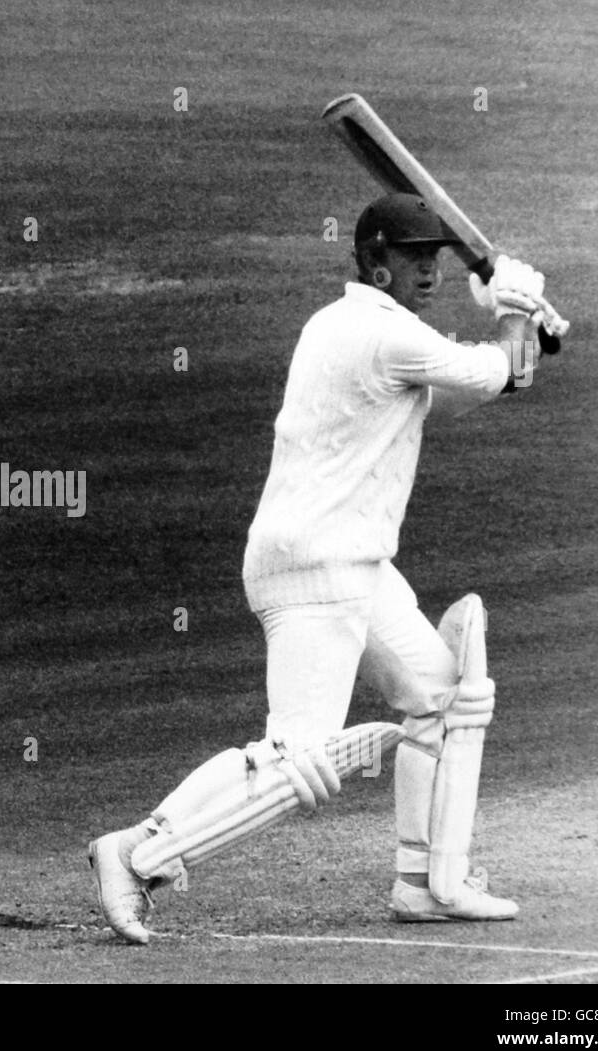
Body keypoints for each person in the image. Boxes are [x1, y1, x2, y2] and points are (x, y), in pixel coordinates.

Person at [89, 192, 561, 942]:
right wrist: (509, 310)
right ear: (376, 262)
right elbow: (484, 372)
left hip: (353, 566)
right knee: (296, 761)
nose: (430, 270)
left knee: (441, 695)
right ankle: (137, 851)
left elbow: (476, 385)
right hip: (316, 567)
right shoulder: (376, 336)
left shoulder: (351, 330)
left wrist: (518, 332)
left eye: (435, 257)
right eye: (413, 258)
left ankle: (425, 881)